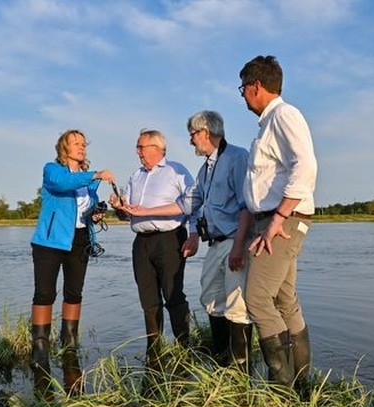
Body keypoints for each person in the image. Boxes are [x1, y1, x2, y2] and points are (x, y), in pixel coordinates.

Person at [239, 55, 317, 387]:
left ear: (256, 86)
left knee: (256, 299)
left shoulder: (284, 115)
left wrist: (279, 218)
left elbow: (306, 166)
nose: (242, 95)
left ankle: (281, 391)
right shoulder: (269, 124)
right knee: (285, 300)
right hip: (274, 219)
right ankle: (300, 384)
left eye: (242, 88)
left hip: (281, 220)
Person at [30, 129, 115, 393]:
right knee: (44, 294)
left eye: (83, 144)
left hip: (80, 240)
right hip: (50, 241)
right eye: (75, 143)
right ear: (64, 149)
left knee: (74, 293)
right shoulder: (52, 170)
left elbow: (87, 207)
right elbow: (63, 185)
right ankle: (40, 349)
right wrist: (96, 174)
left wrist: (96, 212)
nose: (81, 147)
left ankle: (69, 342)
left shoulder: (89, 183)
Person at [112, 129, 196, 362]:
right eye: (137, 147)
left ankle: (183, 348)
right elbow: (127, 216)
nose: (137, 152)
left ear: (157, 148)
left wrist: (194, 234)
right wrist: (120, 207)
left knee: (173, 295)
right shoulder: (135, 176)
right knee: (147, 297)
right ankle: (154, 349)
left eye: (141, 147)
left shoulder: (176, 171)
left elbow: (192, 204)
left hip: (169, 240)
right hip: (141, 243)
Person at [178, 110, 254, 370]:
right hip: (215, 243)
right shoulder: (205, 169)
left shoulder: (237, 157)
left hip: (234, 240)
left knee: (237, 305)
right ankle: (222, 363)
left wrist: (239, 247)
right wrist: (140, 210)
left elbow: (247, 205)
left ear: (206, 132)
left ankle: (240, 370)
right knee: (210, 298)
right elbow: (193, 204)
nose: (191, 141)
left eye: (193, 135)